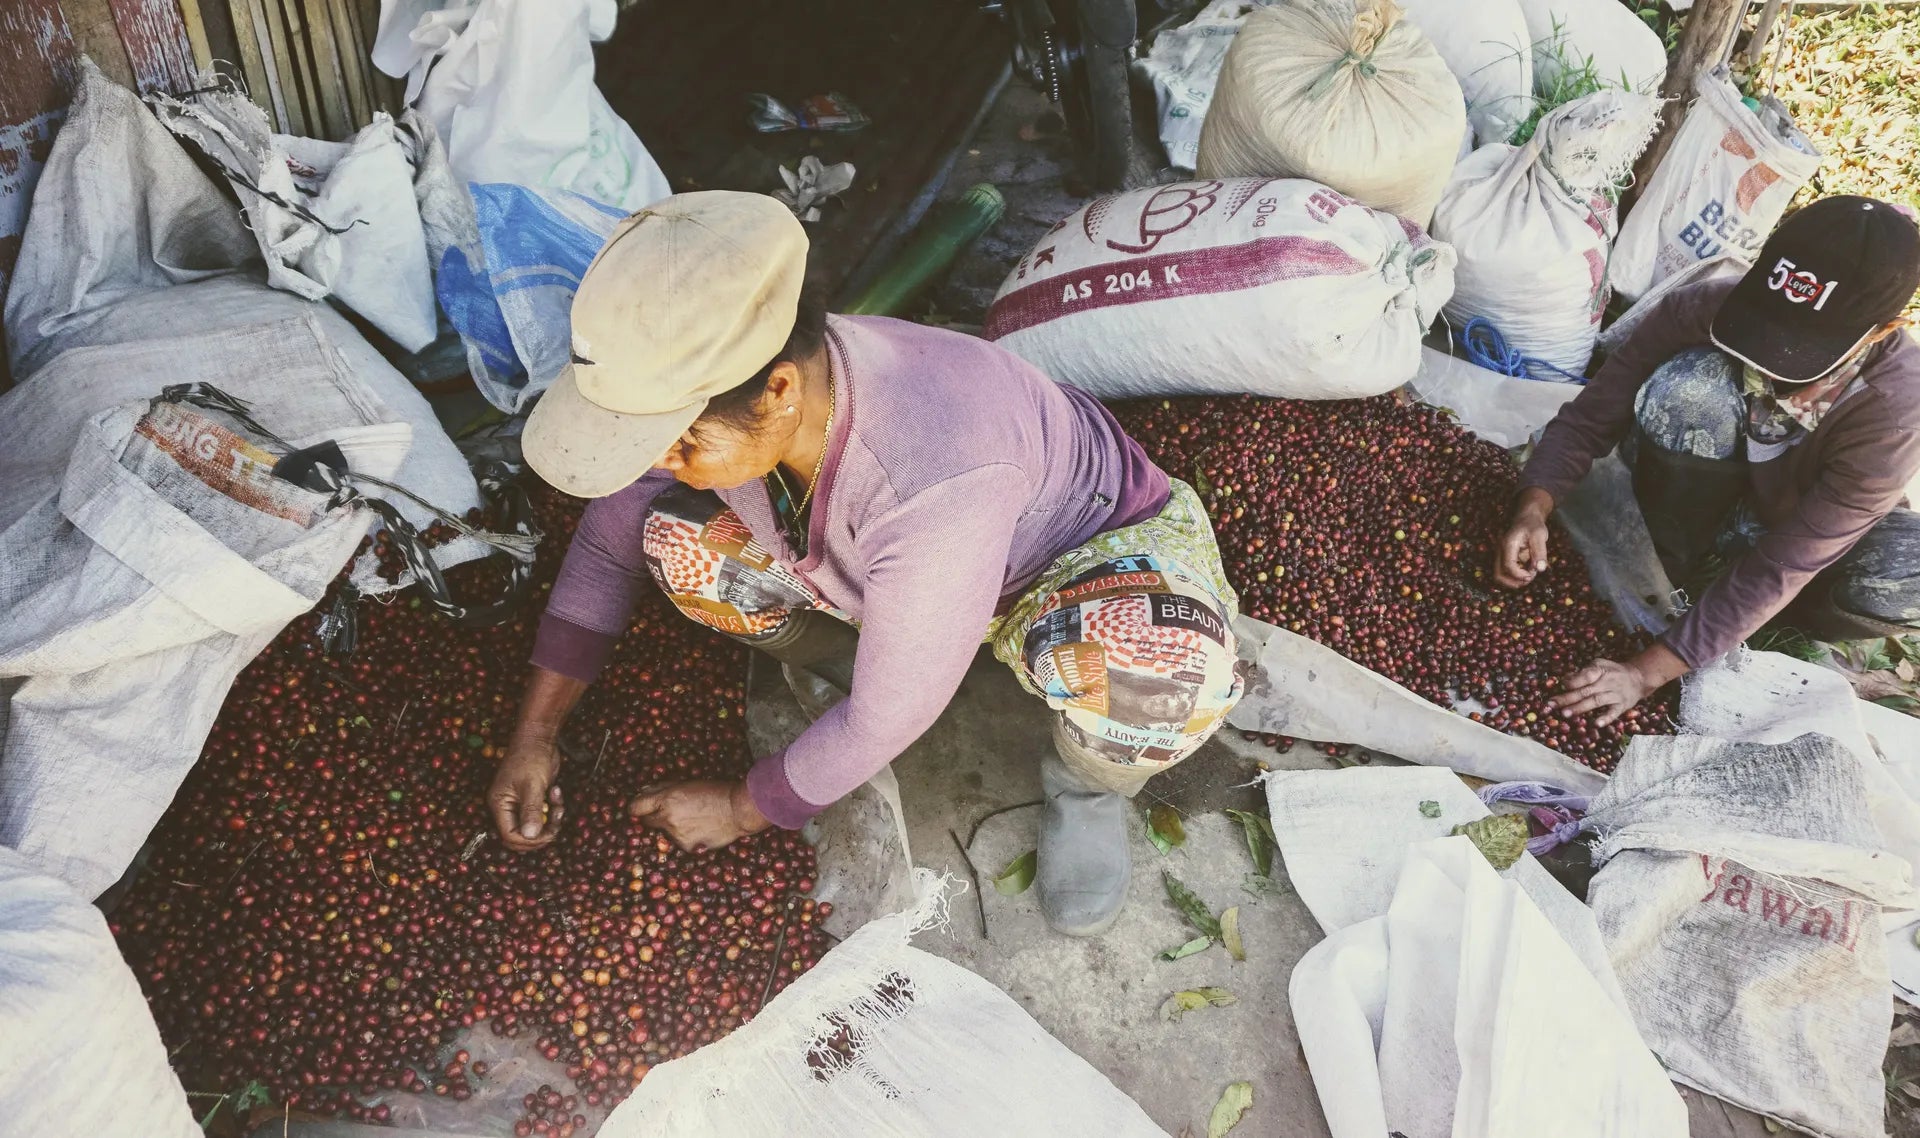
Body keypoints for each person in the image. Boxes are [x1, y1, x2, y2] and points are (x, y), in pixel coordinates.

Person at [485, 191, 1243, 937]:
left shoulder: (934, 477)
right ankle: (881, 660)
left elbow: (890, 715)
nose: (660, 457)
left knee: (1161, 668)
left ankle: (1086, 787)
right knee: (681, 542)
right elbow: (607, 535)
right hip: (905, 572)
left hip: (1063, 562)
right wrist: (536, 735)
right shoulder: (740, 387)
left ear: (779, 389)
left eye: (679, 441)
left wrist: (741, 806)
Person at [1495, 195, 1920, 724]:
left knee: (1908, 567)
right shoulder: (1704, 307)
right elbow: (1590, 417)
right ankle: (1668, 564)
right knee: (1692, 387)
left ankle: (1758, 623)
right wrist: (1534, 504)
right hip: (1699, 485)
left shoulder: (1895, 412)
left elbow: (1785, 563)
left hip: (1789, 526)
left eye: (1800, 346)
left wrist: (1646, 671)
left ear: (1884, 329)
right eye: (1767, 323)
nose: (1772, 358)